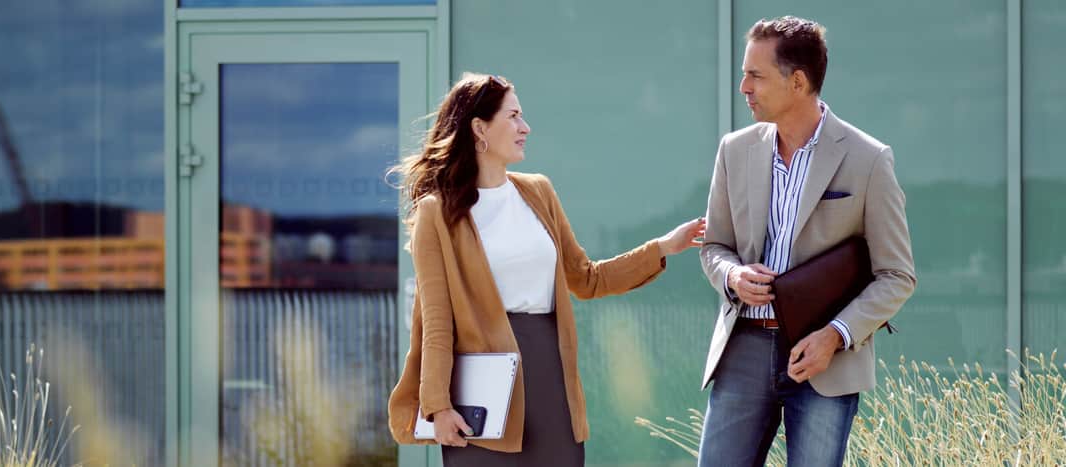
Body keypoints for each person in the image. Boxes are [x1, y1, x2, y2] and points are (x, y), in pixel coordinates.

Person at [385, 72, 705, 466]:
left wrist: (662, 247)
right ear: (479, 128)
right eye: (514, 116)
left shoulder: (538, 192)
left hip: (550, 376)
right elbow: (436, 320)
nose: (526, 127)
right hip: (482, 388)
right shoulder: (437, 212)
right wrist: (437, 406)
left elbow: (588, 279)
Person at [697, 16, 916, 466]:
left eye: (755, 75)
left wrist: (836, 336)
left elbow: (897, 275)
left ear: (797, 81)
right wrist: (734, 275)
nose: (744, 87)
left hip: (825, 363)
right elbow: (715, 247)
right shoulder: (733, 150)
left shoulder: (868, 159)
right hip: (743, 349)